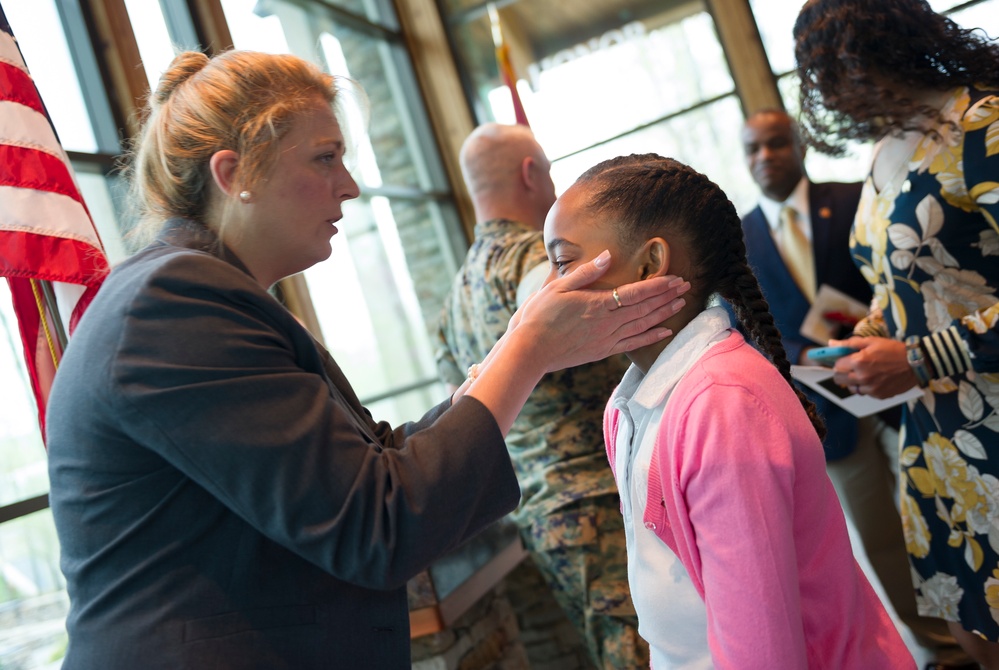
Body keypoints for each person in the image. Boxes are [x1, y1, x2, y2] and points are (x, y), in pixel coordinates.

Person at [43, 50, 690, 670]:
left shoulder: (205, 296)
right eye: (325, 158)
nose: (348, 186)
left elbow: (373, 461)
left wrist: (516, 348)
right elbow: (375, 521)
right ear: (232, 174)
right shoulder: (172, 303)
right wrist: (526, 352)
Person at [543, 153, 915, 668]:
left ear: (650, 265)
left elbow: (763, 647)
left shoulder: (723, 406)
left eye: (563, 263)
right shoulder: (628, 406)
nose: (549, 292)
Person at [794, 1, 999, 667]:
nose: (825, 93)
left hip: (989, 428)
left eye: (828, 71)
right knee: (968, 635)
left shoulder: (980, 123)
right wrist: (867, 338)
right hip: (933, 449)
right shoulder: (884, 151)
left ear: (871, 54)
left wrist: (919, 357)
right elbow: (897, 283)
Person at [739, 108, 970, 668]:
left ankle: (975, 624)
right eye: (753, 149)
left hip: (905, 383)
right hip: (825, 412)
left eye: (776, 143)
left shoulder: (852, 200)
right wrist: (796, 360)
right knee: (879, 537)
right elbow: (747, 322)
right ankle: (941, 650)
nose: (765, 156)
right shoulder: (739, 238)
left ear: (799, 146)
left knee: (944, 512)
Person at [435, 122, 651, 668]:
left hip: (539, 510)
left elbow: (455, 391)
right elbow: (544, 288)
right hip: (597, 497)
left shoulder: (455, 296)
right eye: (550, 173)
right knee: (644, 652)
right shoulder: (533, 255)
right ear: (530, 174)